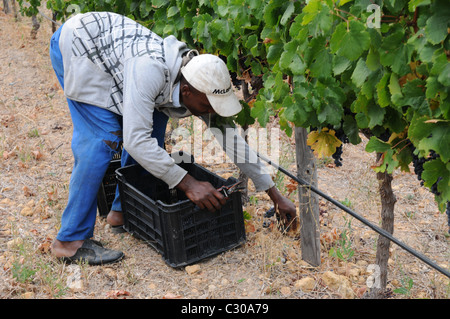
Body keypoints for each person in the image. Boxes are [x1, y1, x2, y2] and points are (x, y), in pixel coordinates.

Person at [49, 11, 298, 265]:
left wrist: (275, 196)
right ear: (187, 91)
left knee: (153, 133)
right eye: (209, 105)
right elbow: (135, 140)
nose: (212, 111)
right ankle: (69, 242)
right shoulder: (151, 72)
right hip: (80, 45)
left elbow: (231, 139)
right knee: (102, 140)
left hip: (115, 52)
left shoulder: (197, 80)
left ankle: (121, 212)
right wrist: (188, 184)